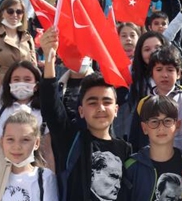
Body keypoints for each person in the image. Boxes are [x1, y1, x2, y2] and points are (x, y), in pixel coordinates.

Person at [39, 29, 132, 201]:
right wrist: (49, 58)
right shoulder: (71, 140)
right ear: (81, 111)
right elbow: (51, 109)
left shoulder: (126, 150)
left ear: (116, 109)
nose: (101, 108)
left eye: (106, 102)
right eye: (92, 102)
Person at [0, 0, 37, 138]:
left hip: (22, 90)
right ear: (2, 12)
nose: (14, 15)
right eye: (10, 11)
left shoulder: (27, 38)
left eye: (19, 11)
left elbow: (34, 68)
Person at [124, 96, 182, 201]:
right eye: (154, 121)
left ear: (177, 125)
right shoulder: (131, 167)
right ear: (144, 128)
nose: (161, 127)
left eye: (167, 121)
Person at [129, 45, 182, 152]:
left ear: (179, 73)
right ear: (152, 74)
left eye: (170, 70)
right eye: (159, 70)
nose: (164, 75)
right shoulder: (144, 103)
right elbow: (136, 136)